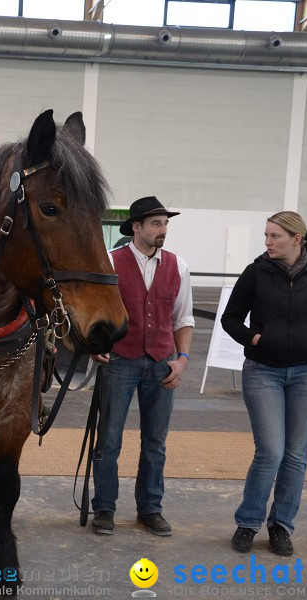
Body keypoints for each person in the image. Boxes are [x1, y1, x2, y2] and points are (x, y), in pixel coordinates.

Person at [221, 211, 307, 557]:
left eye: (274, 236)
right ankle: (248, 523)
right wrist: (255, 340)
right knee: (271, 452)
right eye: (266, 236)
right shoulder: (256, 272)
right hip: (263, 371)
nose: (268, 242)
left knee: (295, 456)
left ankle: (281, 526)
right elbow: (230, 318)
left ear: (297, 239)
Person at [91, 196, 195, 537]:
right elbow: (96, 312)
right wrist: (95, 345)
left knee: (156, 442)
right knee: (108, 440)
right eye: (156, 223)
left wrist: (182, 361)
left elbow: (183, 319)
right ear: (136, 227)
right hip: (121, 359)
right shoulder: (109, 261)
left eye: (165, 223)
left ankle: (150, 508)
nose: (163, 229)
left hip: (162, 362)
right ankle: (104, 508)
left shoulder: (178, 266)